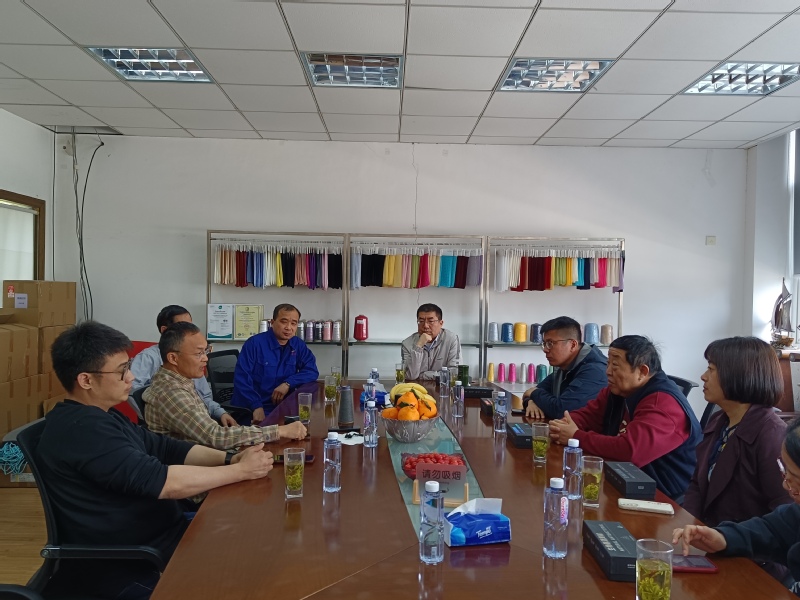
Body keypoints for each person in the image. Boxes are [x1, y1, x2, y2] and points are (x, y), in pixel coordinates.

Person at [36, 321, 273, 600]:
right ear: (86, 380)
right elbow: (164, 482)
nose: (131, 377)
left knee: (257, 541)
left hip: (164, 535)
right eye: (122, 370)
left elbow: (166, 448)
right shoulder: (83, 430)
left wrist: (231, 459)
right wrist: (241, 471)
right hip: (133, 561)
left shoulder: (103, 415)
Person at [549, 335, 701, 502]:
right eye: (608, 364)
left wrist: (576, 436)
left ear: (642, 372)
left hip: (663, 497)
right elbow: (589, 415)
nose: (608, 371)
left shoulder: (663, 405)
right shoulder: (618, 390)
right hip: (624, 480)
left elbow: (629, 451)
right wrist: (563, 425)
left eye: (615, 366)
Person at [673, 419, 800, 596]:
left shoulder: (767, 431)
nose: (786, 486)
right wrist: (723, 537)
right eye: (785, 472)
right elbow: (772, 529)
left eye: (794, 478)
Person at [144, 322, 307, 449]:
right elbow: (215, 436)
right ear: (173, 358)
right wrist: (280, 431)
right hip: (198, 467)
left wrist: (219, 414)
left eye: (206, 351)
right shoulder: (171, 392)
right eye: (199, 353)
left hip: (209, 452)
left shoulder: (180, 380)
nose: (205, 358)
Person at [683, 336, 790, 526]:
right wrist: (689, 525)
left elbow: (784, 511)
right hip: (705, 534)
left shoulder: (772, 435)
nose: (703, 376)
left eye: (711, 369)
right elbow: (697, 484)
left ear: (739, 375)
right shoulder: (719, 420)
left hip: (743, 542)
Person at [131, 304, 236, 427]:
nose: (189, 330)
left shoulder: (193, 360)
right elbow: (131, 390)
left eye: (190, 325)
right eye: (182, 326)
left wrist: (220, 413)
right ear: (164, 330)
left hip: (199, 419)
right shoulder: (148, 357)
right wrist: (155, 416)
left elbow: (204, 396)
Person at [231, 303, 319, 423]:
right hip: (253, 407)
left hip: (283, 406)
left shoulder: (297, 344)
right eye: (284, 322)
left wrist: (288, 383)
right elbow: (242, 379)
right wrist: (256, 406)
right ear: (272, 322)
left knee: (312, 422)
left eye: (293, 323)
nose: (288, 327)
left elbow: (312, 371)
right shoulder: (254, 344)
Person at [522, 316, 607, 420]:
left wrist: (534, 394)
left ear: (573, 345)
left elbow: (562, 411)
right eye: (544, 344)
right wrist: (530, 402)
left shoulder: (594, 371)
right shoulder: (564, 366)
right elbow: (534, 392)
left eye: (550, 343)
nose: (545, 349)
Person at [401, 303, 462, 381]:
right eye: (421, 321)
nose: (425, 326)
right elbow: (409, 375)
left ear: (441, 323)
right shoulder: (407, 343)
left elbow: (455, 373)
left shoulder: (451, 339)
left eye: (431, 321)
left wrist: (423, 375)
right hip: (416, 387)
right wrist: (418, 346)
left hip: (442, 387)